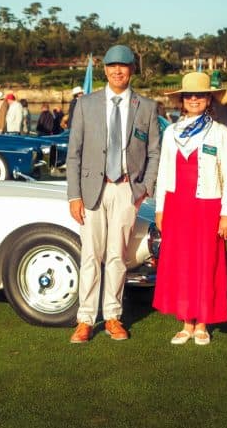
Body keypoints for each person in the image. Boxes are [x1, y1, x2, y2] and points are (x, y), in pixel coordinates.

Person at [66, 44, 160, 344]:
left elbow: (155, 152)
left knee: (118, 256)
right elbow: (74, 154)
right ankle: (84, 319)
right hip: (92, 190)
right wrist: (74, 195)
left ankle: (112, 316)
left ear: (133, 69)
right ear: (104, 69)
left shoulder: (146, 107)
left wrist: (143, 188)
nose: (118, 70)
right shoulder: (86, 105)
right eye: (112, 66)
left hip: (126, 190)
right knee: (91, 256)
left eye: (124, 65)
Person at [153, 72, 227, 346]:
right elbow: (164, 172)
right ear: (181, 100)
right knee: (181, 262)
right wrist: (160, 208)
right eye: (189, 95)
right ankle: (186, 322)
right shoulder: (171, 132)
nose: (194, 100)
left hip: (207, 206)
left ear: (208, 98)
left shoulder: (220, 132)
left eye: (199, 95)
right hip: (178, 205)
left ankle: (202, 322)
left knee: (206, 262)